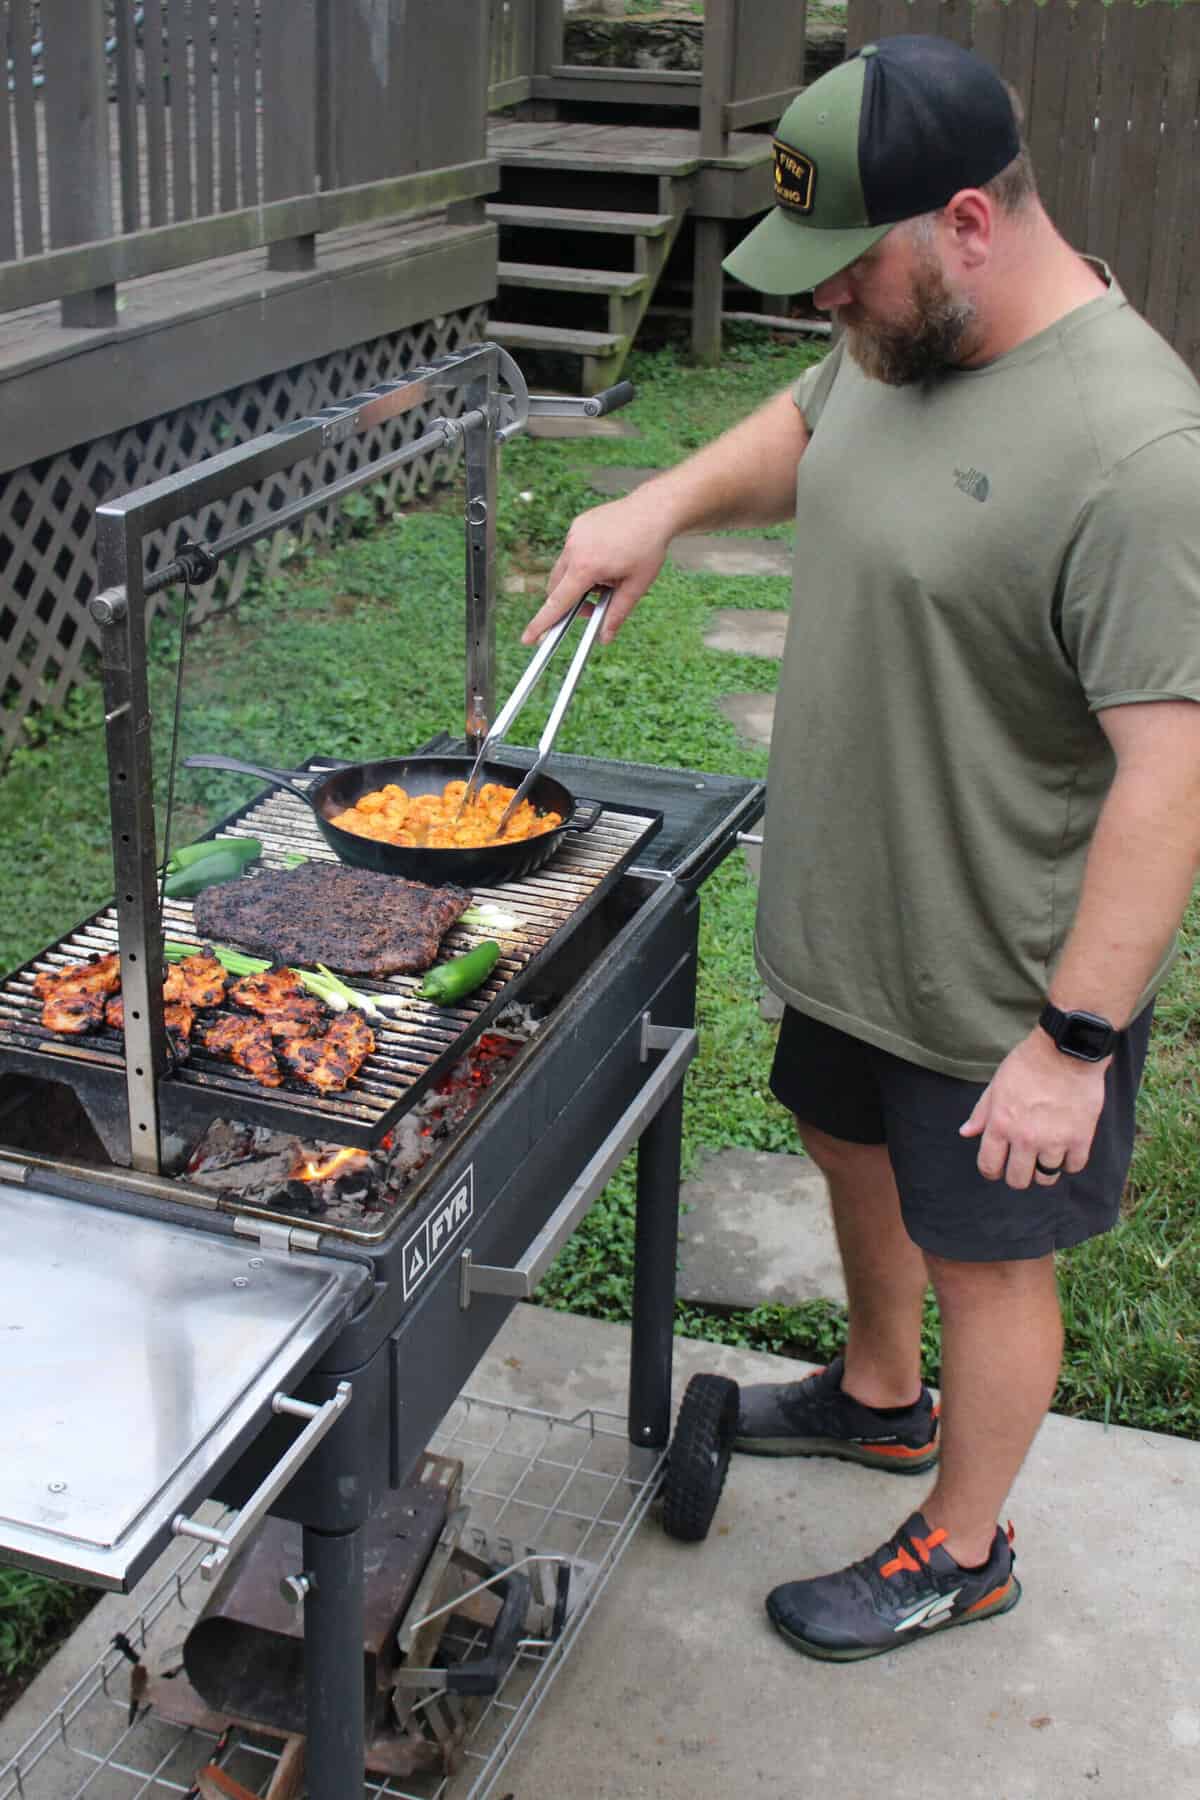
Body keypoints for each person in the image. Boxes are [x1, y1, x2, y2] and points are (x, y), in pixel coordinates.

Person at [522, 33, 1200, 1662]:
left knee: (990, 1263)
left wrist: (1074, 1041)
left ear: (967, 222)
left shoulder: (1141, 453)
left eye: (849, 271)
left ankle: (967, 1546)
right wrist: (660, 506)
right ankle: (883, 1400)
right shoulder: (900, 349)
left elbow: (1171, 779)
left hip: (995, 978)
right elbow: (807, 428)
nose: (827, 305)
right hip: (852, 930)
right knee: (848, 1151)